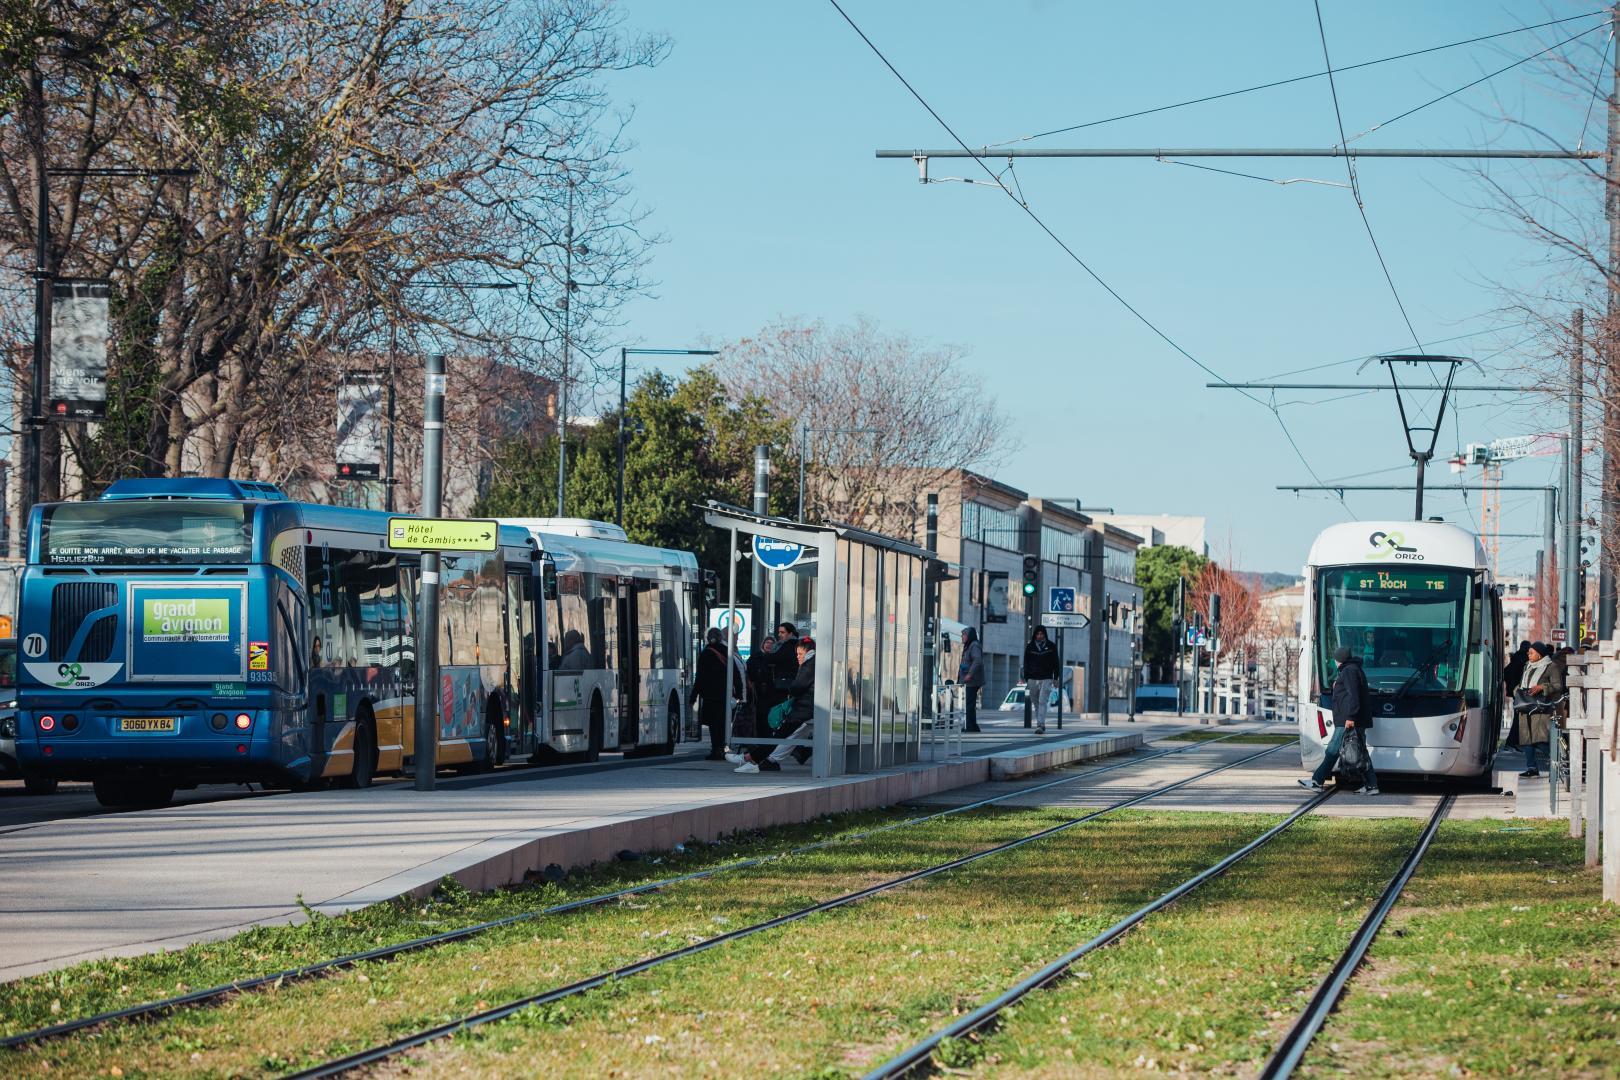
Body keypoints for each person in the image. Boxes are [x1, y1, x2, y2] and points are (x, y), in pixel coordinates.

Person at [1299, 645, 1379, 795]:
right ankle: (1371, 785)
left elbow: (1353, 696)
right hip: (1353, 719)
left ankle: (1317, 781)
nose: (1335, 662)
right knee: (1361, 751)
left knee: (1332, 750)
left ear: (1339, 659)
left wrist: (1350, 717)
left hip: (1348, 720)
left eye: (1336, 659)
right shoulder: (1353, 669)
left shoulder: (1349, 671)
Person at [759, 636, 816, 770]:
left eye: (800, 653)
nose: (798, 657)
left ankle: (764, 759)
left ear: (808, 652)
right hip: (810, 709)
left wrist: (792, 690)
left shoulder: (809, 663)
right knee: (797, 732)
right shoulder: (811, 661)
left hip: (807, 709)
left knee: (790, 733)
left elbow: (799, 686)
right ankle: (771, 759)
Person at [1513, 641, 1564, 778]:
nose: (1528, 654)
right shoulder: (1527, 666)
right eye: (1528, 652)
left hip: (1541, 707)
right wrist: (1517, 690)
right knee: (1526, 739)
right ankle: (1532, 768)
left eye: (1531, 652)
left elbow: (1558, 686)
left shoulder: (1551, 666)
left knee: (1540, 740)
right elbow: (1523, 682)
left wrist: (1542, 687)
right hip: (1525, 706)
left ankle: (1561, 763)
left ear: (1540, 654)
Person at [690, 628, 741, 761]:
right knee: (724, 722)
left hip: (710, 695)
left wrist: (693, 695)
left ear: (707, 638)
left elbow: (700, 677)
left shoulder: (706, 653)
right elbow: (735, 674)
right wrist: (739, 693)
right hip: (726, 694)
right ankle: (723, 749)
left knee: (714, 724)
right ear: (720, 638)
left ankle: (715, 749)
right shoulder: (727, 652)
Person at [1022, 627, 1059, 735]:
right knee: (1036, 702)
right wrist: (1026, 677)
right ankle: (1041, 723)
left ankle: (1040, 724)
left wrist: (1055, 678)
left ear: (1045, 634)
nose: (1039, 636)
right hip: (1032, 678)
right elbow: (1026, 662)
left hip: (1046, 677)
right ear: (1035, 635)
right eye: (1037, 634)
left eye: (1041, 634)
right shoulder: (1030, 647)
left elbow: (1056, 662)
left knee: (1043, 701)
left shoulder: (1051, 646)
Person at [1502, 641, 1530, 750]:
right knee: (1519, 719)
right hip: (1521, 693)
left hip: (1517, 693)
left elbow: (1506, 672)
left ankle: (1513, 743)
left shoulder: (1516, 659)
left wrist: (1511, 687)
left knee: (1518, 719)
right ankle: (1512, 743)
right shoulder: (1523, 660)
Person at [958, 627, 985, 733]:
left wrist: (969, 674)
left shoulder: (974, 645)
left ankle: (969, 726)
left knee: (969, 704)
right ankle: (973, 726)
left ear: (969, 636)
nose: (962, 637)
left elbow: (978, 661)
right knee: (970, 703)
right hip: (969, 680)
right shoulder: (969, 645)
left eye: (964, 635)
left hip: (972, 680)